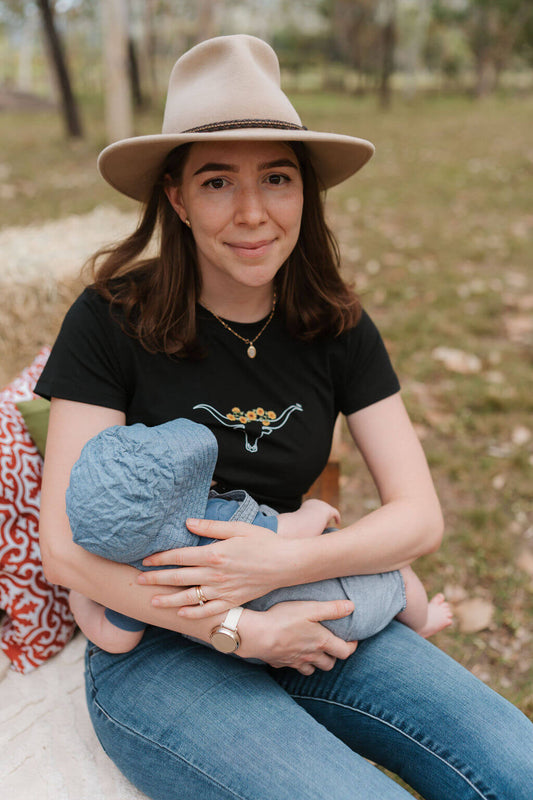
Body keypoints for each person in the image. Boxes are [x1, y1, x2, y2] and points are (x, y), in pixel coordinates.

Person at [36, 34, 532, 800]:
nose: (251, 213)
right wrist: (235, 630)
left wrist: (282, 564)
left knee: (516, 766)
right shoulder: (111, 319)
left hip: (302, 600)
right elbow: (66, 550)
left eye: (276, 177)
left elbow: (419, 517)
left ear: (305, 191)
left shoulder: (335, 326)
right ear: (174, 196)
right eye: (215, 182)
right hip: (160, 647)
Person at [65, 418, 452, 654]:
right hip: (346, 604)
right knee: (400, 576)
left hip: (271, 640)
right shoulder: (217, 518)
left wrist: (82, 593)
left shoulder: (136, 577)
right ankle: (421, 621)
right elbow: (292, 529)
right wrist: (314, 509)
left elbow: (117, 640)